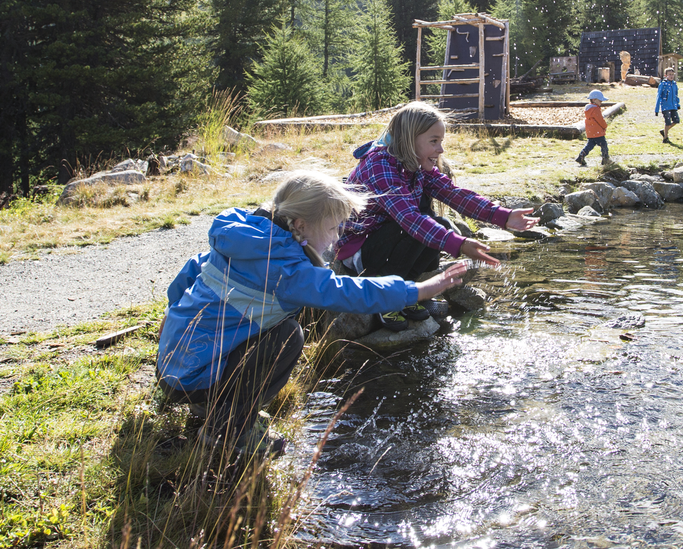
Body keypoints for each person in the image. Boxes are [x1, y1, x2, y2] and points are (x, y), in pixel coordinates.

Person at [156, 169, 467, 458]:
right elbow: (349, 292)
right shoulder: (286, 271)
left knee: (271, 328)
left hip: (173, 367)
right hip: (194, 379)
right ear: (301, 225)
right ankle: (228, 429)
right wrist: (420, 290)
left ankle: (211, 405)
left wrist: (170, 322)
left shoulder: (246, 237)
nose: (336, 237)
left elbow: (190, 272)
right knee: (287, 336)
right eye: (332, 228)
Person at [336, 101, 539, 302]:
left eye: (441, 141)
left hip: (385, 240)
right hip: (359, 249)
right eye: (434, 141)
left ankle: (408, 289)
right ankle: (387, 295)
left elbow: (454, 194)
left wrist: (503, 216)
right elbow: (410, 219)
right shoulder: (380, 166)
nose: (440, 149)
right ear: (409, 139)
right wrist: (459, 244)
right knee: (419, 228)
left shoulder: (415, 164)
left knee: (441, 224)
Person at [576, 89, 611, 166]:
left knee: (589, 145)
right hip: (597, 132)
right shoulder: (595, 109)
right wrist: (605, 126)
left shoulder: (588, 109)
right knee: (604, 145)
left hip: (590, 132)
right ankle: (605, 159)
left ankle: (581, 156)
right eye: (600, 100)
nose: (601, 102)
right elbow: (600, 120)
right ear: (594, 100)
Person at [655, 67, 680, 143]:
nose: (671, 76)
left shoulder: (674, 84)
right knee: (668, 122)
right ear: (665, 75)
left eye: (672, 74)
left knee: (676, 120)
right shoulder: (663, 84)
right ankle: (665, 138)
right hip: (665, 107)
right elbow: (658, 96)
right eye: (670, 74)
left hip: (673, 106)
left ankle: (664, 131)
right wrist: (657, 109)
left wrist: (677, 104)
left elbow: (676, 95)